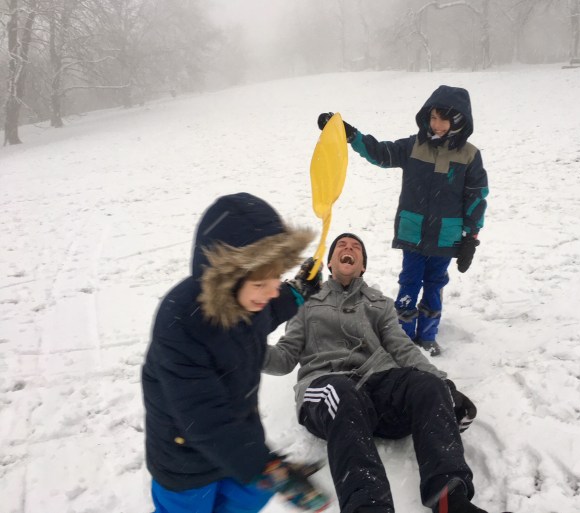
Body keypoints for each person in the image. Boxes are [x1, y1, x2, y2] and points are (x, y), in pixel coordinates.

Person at [263, 233, 487, 513]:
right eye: (341, 245)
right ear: (330, 263)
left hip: (379, 387)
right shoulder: (306, 305)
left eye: (355, 247)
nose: (348, 248)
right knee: (341, 394)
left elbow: (402, 347)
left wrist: (444, 385)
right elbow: (284, 358)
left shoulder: (379, 303)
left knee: (428, 386)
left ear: (363, 265)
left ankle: (450, 500)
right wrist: (246, 347)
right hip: (328, 388)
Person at [141, 192, 329, 513]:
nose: (272, 291)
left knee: (247, 499)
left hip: (240, 442)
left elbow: (269, 312)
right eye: (260, 284)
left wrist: (298, 291)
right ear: (226, 281)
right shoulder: (180, 324)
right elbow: (204, 417)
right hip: (186, 461)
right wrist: (272, 472)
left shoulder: (250, 302)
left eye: (276, 277)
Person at [317, 86, 489, 356]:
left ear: (458, 120)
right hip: (413, 232)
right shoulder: (413, 146)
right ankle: (404, 338)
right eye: (433, 117)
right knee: (409, 283)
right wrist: (350, 134)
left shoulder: (469, 155)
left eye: (443, 119)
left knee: (434, 285)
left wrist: (471, 237)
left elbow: (476, 197)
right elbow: (380, 153)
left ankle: (428, 335)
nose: (436, 124)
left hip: (446, 236)